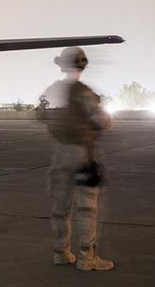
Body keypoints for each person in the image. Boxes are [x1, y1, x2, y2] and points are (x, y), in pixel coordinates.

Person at [40, 47, 114, 271]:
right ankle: (86, 256)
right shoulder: (83, 92)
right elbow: (101, 120)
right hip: (82, 152)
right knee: (87, 206)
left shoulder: (52, 90)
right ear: (82, 65)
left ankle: (60, 252)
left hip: (59, 152)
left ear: (62, 65)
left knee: (60, 205)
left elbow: (40, 114)